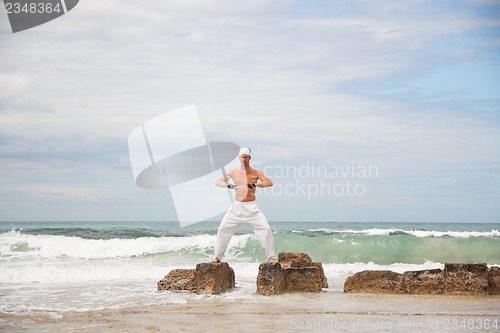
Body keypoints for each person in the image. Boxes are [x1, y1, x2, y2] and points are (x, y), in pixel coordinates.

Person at [211, 147, 277, 264]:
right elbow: (218, 181)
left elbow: (269, 182)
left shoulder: (256, 172)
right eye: (242, 157)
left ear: (249, 158)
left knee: (265, 229)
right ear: (239, 158)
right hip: (236, 208)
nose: (244, 159)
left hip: (252, 208)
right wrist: (229, 186)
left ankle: (271, 257)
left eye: (246, 157)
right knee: (222, 229)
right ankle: (217, 257)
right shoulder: (233, 172)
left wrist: (254, 185)